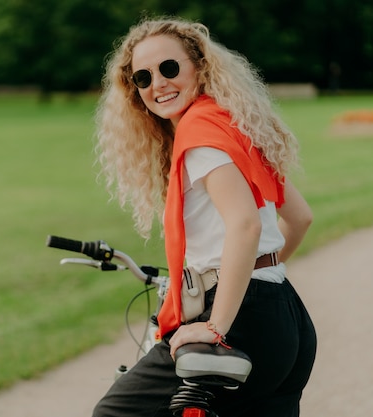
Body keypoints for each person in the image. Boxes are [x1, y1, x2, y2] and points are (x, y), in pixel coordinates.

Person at [92, 17, 317, 417]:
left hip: (239, 319)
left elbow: (245, 224)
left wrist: (217, 324)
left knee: (115, 413)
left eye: (169, 68)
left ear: (200, 66)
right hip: (286, 318)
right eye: (142, 77)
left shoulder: (199, 134)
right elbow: (300, 218)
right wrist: (251, 275)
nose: (157, 83)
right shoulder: (235, 127)